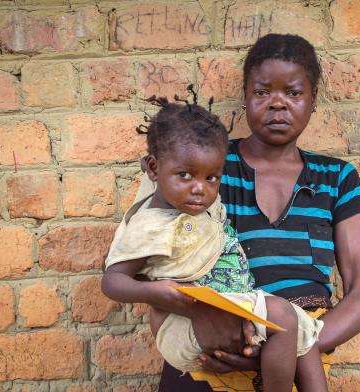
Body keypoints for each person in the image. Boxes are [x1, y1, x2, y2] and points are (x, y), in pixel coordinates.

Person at [118, 33, 360, 391]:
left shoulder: (337, 179)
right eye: (261, 92)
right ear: (245, 97)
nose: (277, 104)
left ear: (313, 100)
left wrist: (293, 346)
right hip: (210, 358)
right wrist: (222, 335)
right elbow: (151, 264)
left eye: (294, 93)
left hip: (298, 364)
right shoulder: (203, 166)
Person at [101, 92, 328, 392]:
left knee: (305, 335)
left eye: (212, 178)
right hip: (185, 325)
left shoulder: (194, 204)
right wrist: (154, 292)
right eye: (185, 175)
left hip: (231, 303)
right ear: (153, 169)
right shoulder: (150, 226)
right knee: (285, 318)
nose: (200, 189)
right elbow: (112, 281)